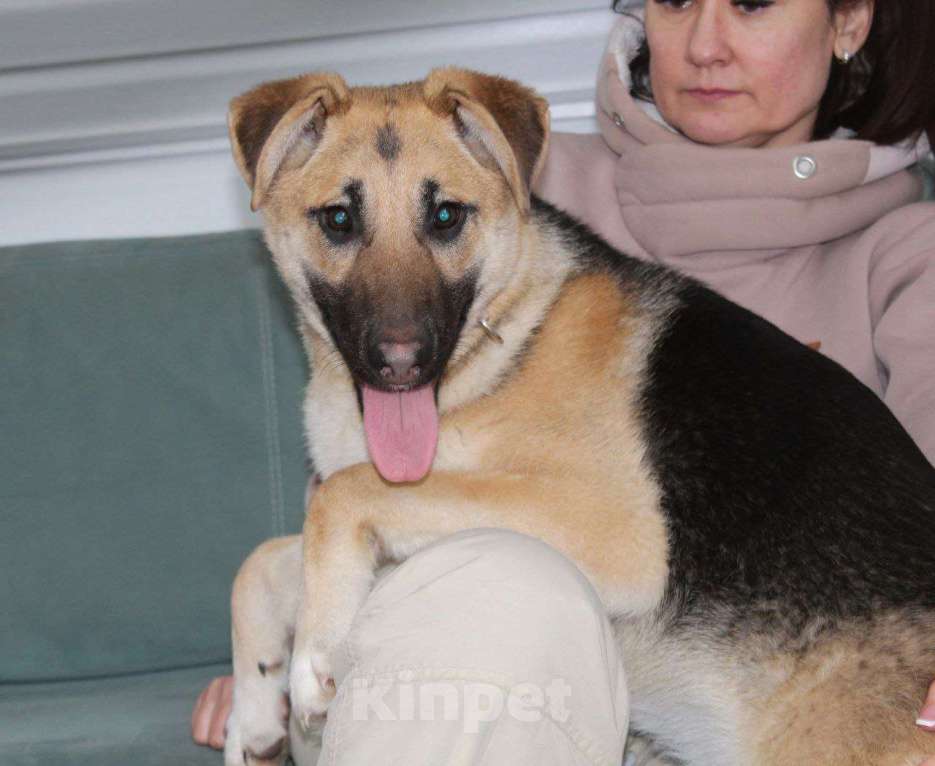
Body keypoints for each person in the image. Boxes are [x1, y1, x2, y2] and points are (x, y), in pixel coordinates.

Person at [193, 0, 935, 762]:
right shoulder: (498, 171)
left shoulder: (906, 252)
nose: (706, 44)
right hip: (509, 692)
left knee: (502, 575)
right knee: (492, 582)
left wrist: (358, 516)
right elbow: (380, 541)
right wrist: (288, 628)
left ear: (848, 22)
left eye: (751, 3)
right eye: (677, 1)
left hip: (834, 680)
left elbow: (611, 546)